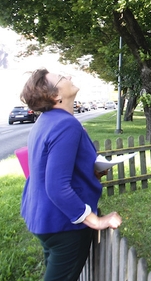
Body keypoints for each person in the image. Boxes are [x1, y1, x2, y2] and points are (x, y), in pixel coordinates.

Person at [20, 69, 122, 281]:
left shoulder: (45, 121)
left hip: (42, 219)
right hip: (64, 225)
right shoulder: (66, 124)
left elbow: (47, 169)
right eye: (62, 78)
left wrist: (90, 172)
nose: (70, 78)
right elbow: (56, 186)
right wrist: (96, 222)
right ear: (55, 96)